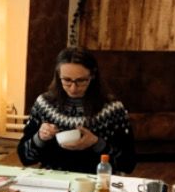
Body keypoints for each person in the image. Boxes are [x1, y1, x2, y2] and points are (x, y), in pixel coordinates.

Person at [18, 46, 135, 175]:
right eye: (67, 80)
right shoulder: (44, 105)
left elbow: (128, 163)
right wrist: (40, 137)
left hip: (96, 179)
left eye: (81, 80)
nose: (73, 88)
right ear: (58, 76)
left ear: (93, 75)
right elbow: (25, 157)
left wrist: (96, 143)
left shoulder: (112, 109)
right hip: (53, 178)